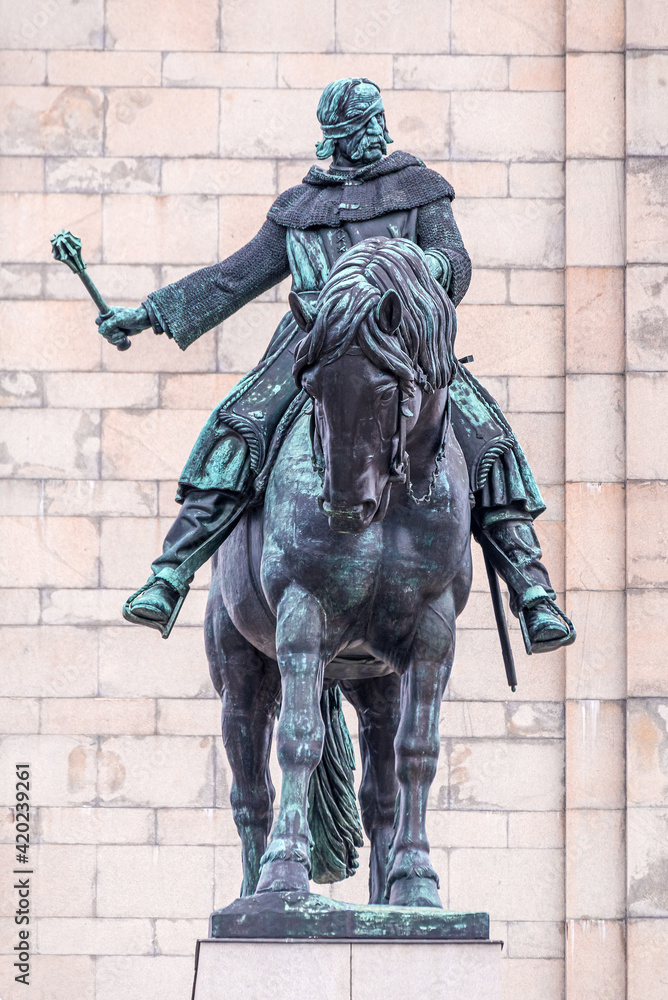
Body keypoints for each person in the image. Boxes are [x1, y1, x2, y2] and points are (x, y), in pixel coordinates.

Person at [98, 77, 575, 655]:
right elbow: (232, 279)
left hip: (400, 339)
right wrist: (148, 314)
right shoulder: (301, 207)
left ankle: (532, 589)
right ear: (335, 136)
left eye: (376, 121)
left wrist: (410, 269)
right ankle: (171, 572)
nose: (373, 133)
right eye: (359, 126)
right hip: (313, 343)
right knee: (238, 427)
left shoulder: (417, 188)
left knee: (487, 437)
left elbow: (456, 261)